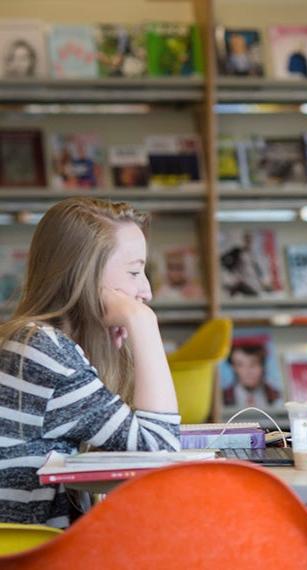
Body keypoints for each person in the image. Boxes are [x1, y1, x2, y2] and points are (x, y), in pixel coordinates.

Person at [0, 197, 180, 528]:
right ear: (85, 274)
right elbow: (160, 451)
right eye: (134, 272)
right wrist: (143, 323)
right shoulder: (44, 349)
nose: (146, 291)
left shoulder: (38, 341)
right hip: (35, 554)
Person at [222, 341, 282, 408]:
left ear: (262, 366)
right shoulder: (223, 397)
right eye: (240, 365)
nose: (247, 371)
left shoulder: (277, 395)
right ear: (233, 367)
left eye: (253, 364)